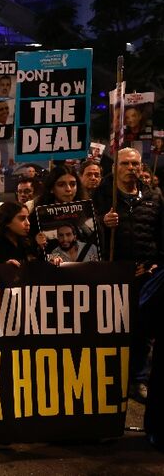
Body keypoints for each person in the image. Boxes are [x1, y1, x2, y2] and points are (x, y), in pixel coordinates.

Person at [94, 147, 163, 410]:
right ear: (115, 167)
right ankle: (112, 379)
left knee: (143, 330)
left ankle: (138, 379)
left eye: (135, 164)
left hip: (148, 273)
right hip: (114, 274)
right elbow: (86, 230)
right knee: (113, 329)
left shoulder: (154, 196)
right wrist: (102, 222)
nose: (131, 168)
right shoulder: (102, 195)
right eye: (125, 164)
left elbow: (160, 230)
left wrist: (157, 263)